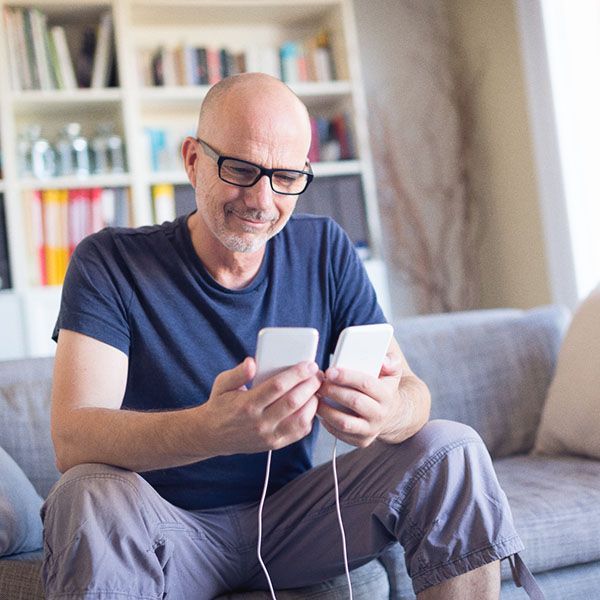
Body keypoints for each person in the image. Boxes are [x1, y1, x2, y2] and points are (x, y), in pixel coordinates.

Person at [43, 73, 527, 600]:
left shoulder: (325, 249)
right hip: (162, 529)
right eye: (241, 169)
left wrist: (385, 411)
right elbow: (74, 438)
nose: (262, 199)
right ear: (192, 160)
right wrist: (209, 429)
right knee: (85, 492)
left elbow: (413, 392)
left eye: (286, 176)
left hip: (294, 523)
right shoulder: (110, 262)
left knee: (451, 446)